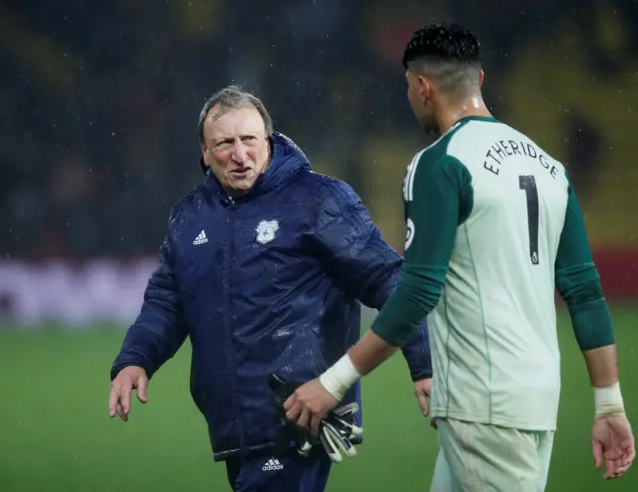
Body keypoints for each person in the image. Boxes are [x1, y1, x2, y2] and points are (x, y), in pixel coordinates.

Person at [283, 23, 635, 491]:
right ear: (481, 79)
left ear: (423, 87)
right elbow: (586, 291)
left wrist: (334, 381)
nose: (410, 98)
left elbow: (417, 292)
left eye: (409, 87)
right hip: (532, 398)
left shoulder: (441, 163)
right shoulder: (549, 167)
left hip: (483, 405)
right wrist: (609, 403)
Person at [108, 85, 433, 492]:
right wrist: (135, 359)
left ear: (269, 140)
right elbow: (168, 302)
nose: (239, 154)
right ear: (205, 154)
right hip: (234, 424)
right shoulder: (190, 217)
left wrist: (424, 363)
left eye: (249, 140)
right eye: (224, 143)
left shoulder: (317, 200)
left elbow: (390, 280)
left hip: (299, 414)